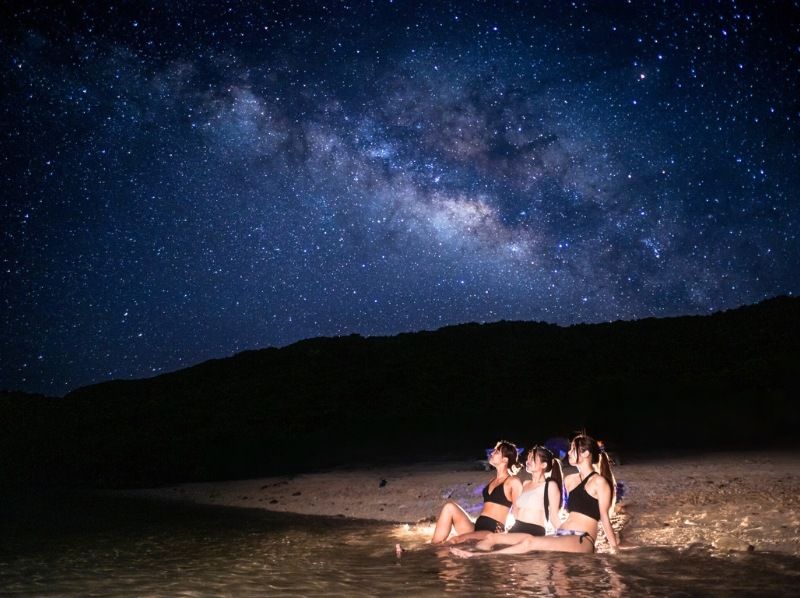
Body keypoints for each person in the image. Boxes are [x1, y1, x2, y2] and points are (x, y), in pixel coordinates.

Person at [451, 433, 619, 556]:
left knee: (529, 542)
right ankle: (474, 559)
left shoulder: (599, 482)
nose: (568, 453)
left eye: (573, 450)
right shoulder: (570, 480)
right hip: (564, 534)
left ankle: (477, 557)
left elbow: (604, 518)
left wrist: (614, 549)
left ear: (585, 454)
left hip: (583, 538)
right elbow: (562, 516)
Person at [430, 440, 523, 544]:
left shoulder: (513, 482)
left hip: (492, 531)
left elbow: (518, 512)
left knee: (454, 540)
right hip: (477, 527)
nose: (491, 453)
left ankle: (437, 553)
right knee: (449, 507)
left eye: (496, 452)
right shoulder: (492, 480)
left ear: (505, 460)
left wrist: (512, 535)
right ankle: (433, 547)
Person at [475, 444, 563, 551]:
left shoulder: (550, 485)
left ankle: (477, 559)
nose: (528, 461)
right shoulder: (525, 484)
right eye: (528, 457)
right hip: (516, 528)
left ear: (543, 465)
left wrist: (567, 536)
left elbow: (554, 517)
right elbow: (517, 512)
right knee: (492, 544)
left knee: (490, 538)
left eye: (533, 459)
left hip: (533, 530)